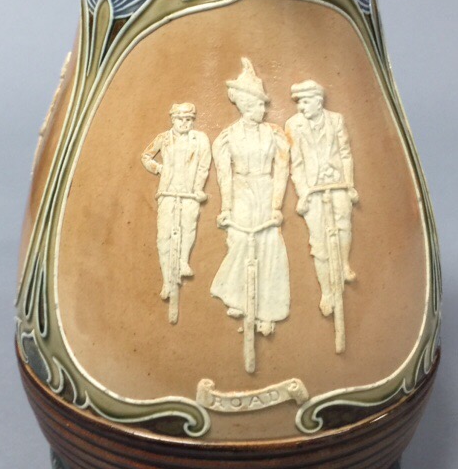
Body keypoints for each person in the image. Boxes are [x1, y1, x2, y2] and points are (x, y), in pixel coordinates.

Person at [211, 58, 290, 336]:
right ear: (246, 105)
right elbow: (224, 176)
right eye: (259, 105)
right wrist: (226, 208)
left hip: (265, 189)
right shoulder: (227, 138)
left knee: (269, 247)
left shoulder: (273, 135)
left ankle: (267, 312)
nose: (264, 109)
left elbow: (282, 171)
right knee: (240, 242)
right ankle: (240, 300)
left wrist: (276, 206)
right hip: (241, 192)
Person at [285, 80, 358, 317]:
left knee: (343, 223)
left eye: (305, 102)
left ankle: (344, 263)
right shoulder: (293, 125)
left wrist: (349, 185)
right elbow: (296, 164)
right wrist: (303, 193)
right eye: (299, 103)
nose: (301, 107)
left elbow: (345, 153)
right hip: (313, 189)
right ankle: (326, 292)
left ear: (318, 101)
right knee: (318, 243)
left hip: (337, 183)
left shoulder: (336, 120)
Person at [141, 103, 211, 300]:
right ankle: (166, 281)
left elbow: (203, 166)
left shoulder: (200, 139)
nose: (184, 123)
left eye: (188, 119)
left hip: (190, 193)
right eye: (180, 119)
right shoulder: (163, 138)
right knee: (164, 236)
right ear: (173, 120)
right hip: (167, 192)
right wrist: (158, 168)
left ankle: (183, 261)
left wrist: (198, 188)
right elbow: (146, 156)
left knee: (189, 226)